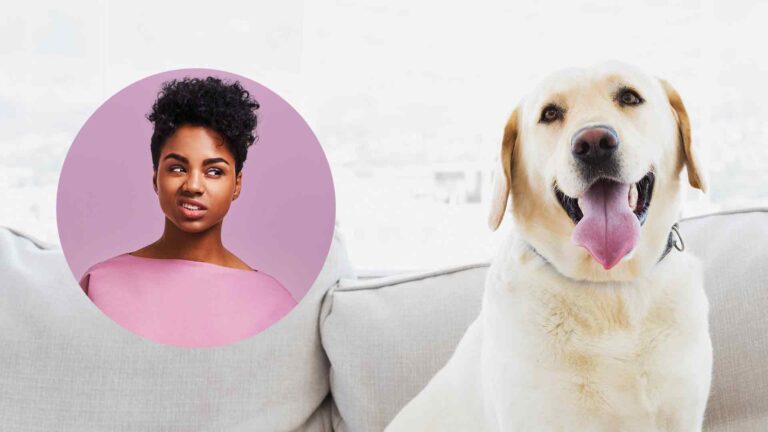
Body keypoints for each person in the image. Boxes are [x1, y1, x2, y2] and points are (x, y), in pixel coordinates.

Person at [79, 77, 296, 347]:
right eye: (178, 168)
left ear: (237, 184)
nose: (193, 186)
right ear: (155, 178)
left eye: (214, 171)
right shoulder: (100, 285)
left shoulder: (274, 303)